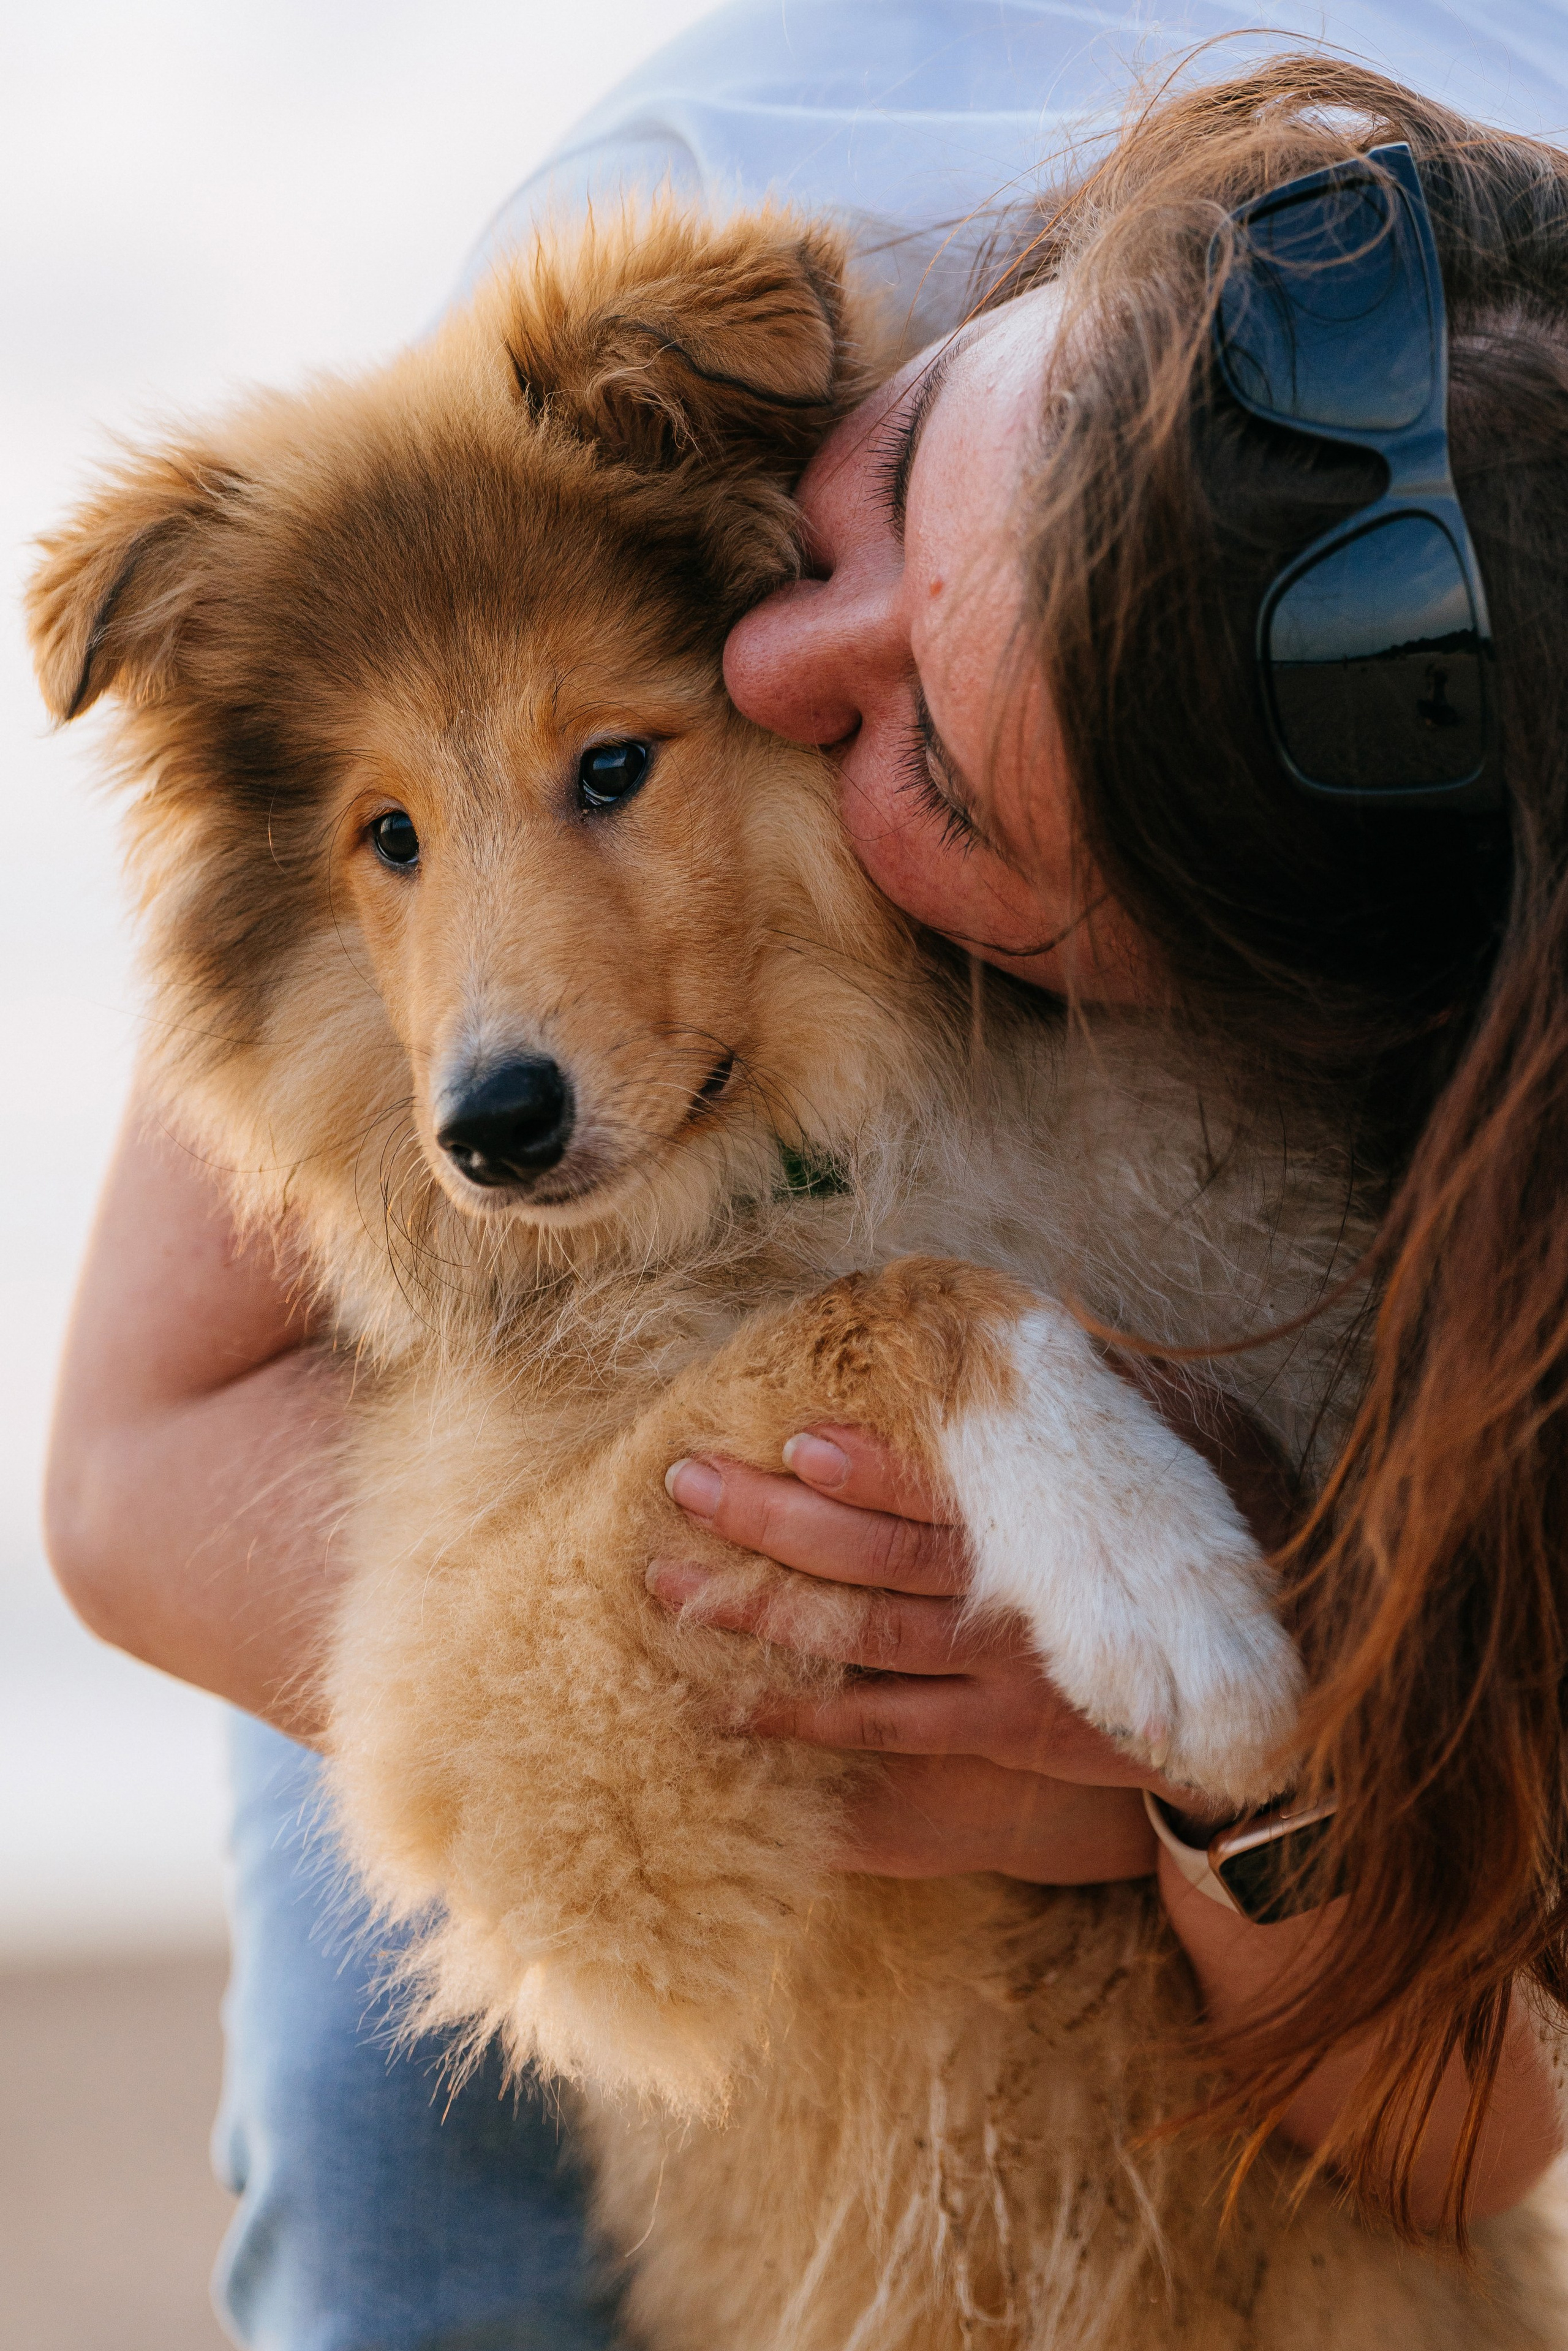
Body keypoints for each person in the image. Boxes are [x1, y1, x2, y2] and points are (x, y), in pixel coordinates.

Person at [41, 3, 1568, 2344]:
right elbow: (135, 1466)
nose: (775, 661)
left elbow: (1457, 2120)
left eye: (923, 759)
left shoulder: (1470, 1097)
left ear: (1179, 970)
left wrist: (1238, 1787)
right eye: (898, 488)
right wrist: (802, 1692)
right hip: (504, 1478)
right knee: (400, 2195)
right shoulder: (706, 318)